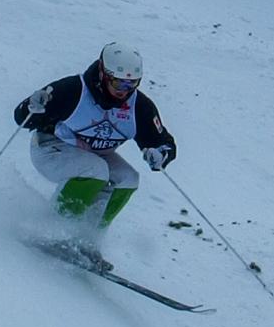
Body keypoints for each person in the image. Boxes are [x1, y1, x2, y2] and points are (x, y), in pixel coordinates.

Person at [13, 42, 177, 269]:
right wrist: (32, 107)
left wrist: (160, 155)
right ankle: (54, 229)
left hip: (94, 154)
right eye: (118, 82)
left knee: (129, 178)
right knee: (96, 170)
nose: (124, 90)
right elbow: (22, 117)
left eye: (132, 83)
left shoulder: (139, 108)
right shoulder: (73, 90)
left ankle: (86, 240)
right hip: (51, 148)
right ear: (103, 72)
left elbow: (163, 143)